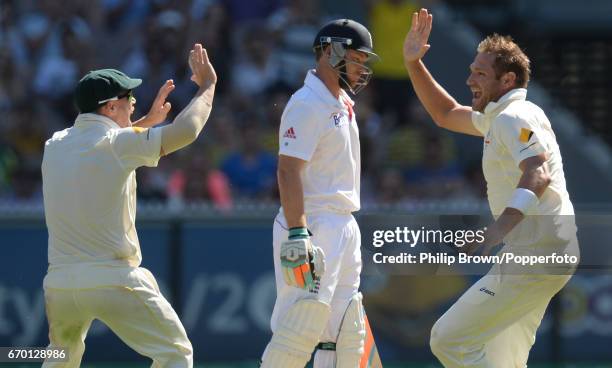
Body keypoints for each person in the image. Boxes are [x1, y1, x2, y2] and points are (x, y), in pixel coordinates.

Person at [403, 9, 579, 367]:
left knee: (448, 339)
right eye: (471, 71)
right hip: (540, 249)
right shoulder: (501, 117)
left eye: (480, 73)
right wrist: (413, 63)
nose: (470, 80)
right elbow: (445, 113)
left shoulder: (514, 117)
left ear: (508, 79)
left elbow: (538, 172)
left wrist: (496, 230)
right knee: (502, 360)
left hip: (536, 251)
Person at [41, 43, 216, 368]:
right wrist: (207, 87)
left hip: (60, 284)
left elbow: (101, 152)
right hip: (113, 279)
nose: (135, 102)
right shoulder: (118, 144)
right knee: (176, 354)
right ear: (109, 108)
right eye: (128, 98)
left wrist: (145, 123)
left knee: (59, 361)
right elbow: (187, 131)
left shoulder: (54, 144)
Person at [260, 19, 380, 367]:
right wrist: (298, 232)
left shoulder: (340, 101)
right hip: (311, 224)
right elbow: (287, 170)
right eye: (356, 58)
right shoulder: (307, 102)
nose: (361, 68)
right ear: (331, 52)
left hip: (343, 222)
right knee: (299, 325)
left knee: (344, 329)